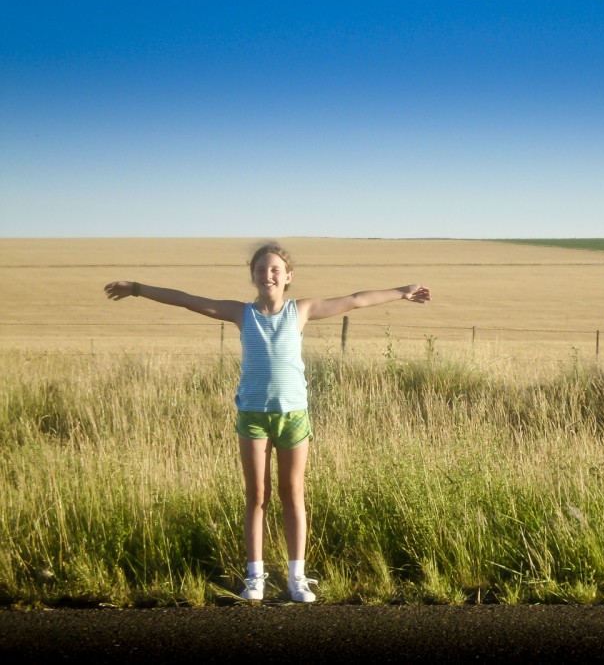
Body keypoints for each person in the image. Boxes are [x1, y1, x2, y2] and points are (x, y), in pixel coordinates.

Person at [104, 241, 431, 602]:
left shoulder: (301, 310)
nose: (268, 274)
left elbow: (354, 299)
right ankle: (255, 578)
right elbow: (187, 299)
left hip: (293, 416)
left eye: (275, 269)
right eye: (261, 269)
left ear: (288, 277)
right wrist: (136, 289)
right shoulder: (241, 313)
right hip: (254, 417)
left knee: (293, 495)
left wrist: (402, 292)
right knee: (257, 496)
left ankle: (297, 578)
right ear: (254, 277)